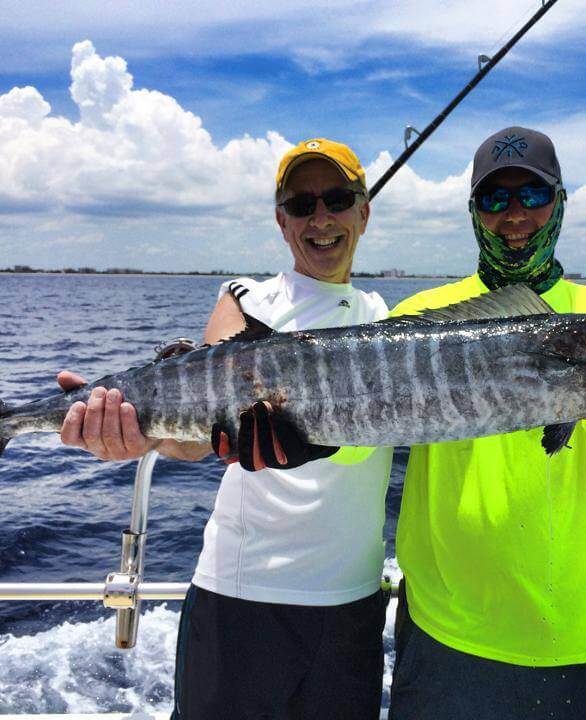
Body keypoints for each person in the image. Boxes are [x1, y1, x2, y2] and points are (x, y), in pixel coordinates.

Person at [57, 138, 393, 720]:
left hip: (352, 605)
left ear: (363, 213)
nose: (320, 218)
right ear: (281, 221)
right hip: (241, 598)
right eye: (300, 204)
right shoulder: (244, 298)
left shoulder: (382, 320)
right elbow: (201, 433)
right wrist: (141, 436)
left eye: (337, 199)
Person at [380, 127, 586, 719]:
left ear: (560, 201)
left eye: (532, 196)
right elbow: (363, 439)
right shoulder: (416, 320)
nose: (513, 216)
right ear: (473, 211)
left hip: (578, 629)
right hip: (447, 629)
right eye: (494, 199)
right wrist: (307, 440)